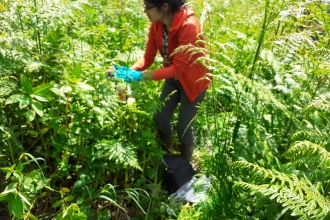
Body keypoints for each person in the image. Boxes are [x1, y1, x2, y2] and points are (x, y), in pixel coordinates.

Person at [108, 0, 210, 161]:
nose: (145, 12)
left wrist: (141, 76)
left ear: (164, 6)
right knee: (160, 118)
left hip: (193, 81)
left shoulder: (189, 26)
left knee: (184, 127)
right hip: (173, 78)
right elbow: (148, 58)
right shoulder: (157, 24)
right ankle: (168, 156)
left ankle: (185, 166)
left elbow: (179, 68)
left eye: (148, 8)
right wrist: (127, 72)